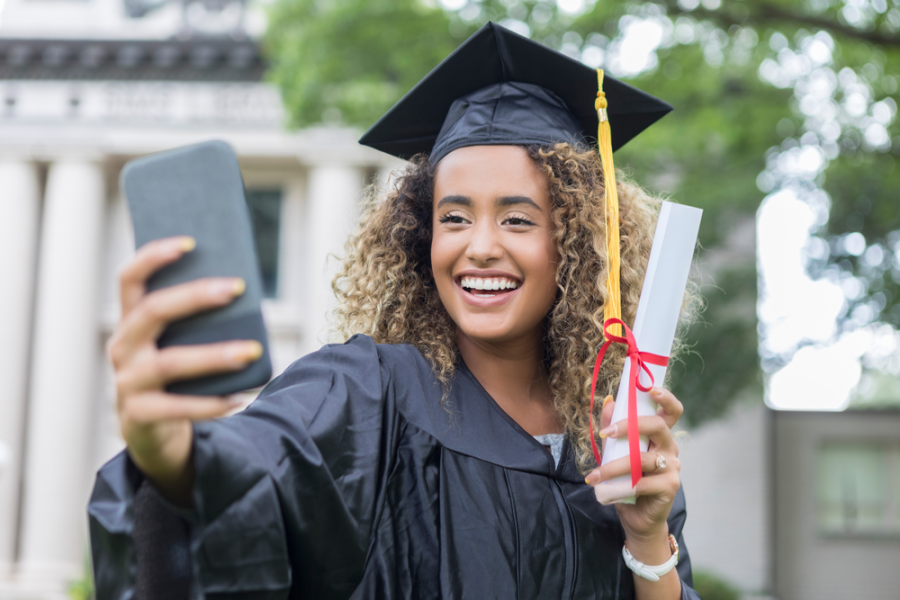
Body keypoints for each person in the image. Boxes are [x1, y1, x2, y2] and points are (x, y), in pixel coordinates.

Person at [89, 23, 701, 600]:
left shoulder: (615, 440)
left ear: (576, 245)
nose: (480, 245)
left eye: (518, 219)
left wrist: (648, 538)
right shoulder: (363, 394)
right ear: (419, 237)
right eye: (453, 217)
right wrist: (174, 460)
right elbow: (255, 474)